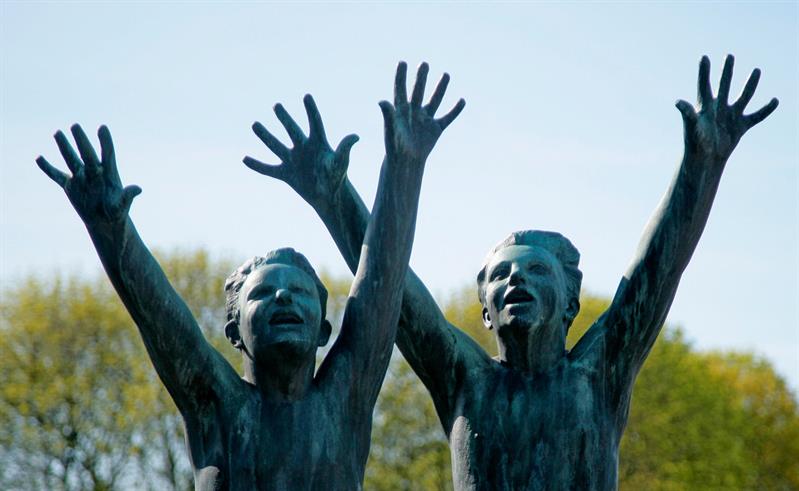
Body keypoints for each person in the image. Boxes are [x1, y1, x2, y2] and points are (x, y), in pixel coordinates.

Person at [246, 55, 778, 489]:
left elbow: (657, 272)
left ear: (571, 303)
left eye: (536, 273)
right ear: (484, 310)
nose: (515, 282)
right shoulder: (464, 379)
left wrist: (702, 165)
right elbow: (391, 288)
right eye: (499, 277)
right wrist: (335, 196)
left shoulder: (598, 375)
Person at [34, 61, 464, 490]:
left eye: (299, 292)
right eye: (263, 294)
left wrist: (403, 167)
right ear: (234, 332)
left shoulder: (344, 398)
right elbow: (159, 317)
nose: (283, 298)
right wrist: (112, 231)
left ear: (324, 330)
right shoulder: (218, 404)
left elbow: (381, 280)